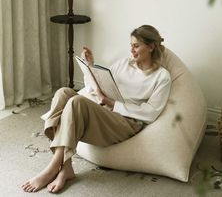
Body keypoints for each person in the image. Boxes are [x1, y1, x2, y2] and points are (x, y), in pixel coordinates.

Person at [21, 25, 172, 193]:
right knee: (63, 93)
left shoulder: (162, 76)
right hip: (107, 112)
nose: (132, 50)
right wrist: (90, 66)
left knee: (77, 102)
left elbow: (151, 113)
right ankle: (66, 167)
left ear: (151, 47)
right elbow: (98, 89)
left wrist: (113, 104)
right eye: (131, 45)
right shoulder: (124, 64)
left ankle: (53, 166)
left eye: (136, 46)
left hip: (127, 122)